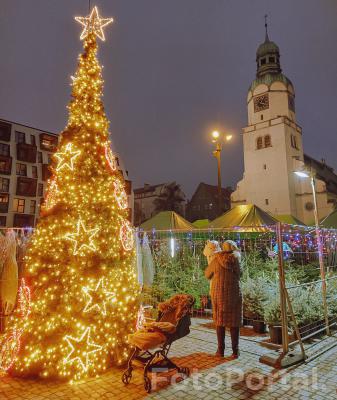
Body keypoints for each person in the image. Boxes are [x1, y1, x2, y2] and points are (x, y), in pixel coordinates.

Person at [205, 240, 242, 358]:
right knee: (233, 322)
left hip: (218, 293)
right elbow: (240, 274)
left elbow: (207, 274)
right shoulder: (236, 259)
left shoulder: (216, 259)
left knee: (220, 321)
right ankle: (235, 352)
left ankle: (220, 351)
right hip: (234, 293)